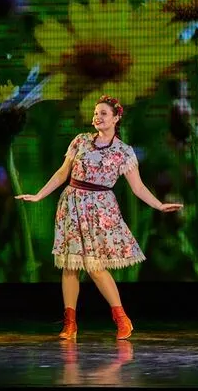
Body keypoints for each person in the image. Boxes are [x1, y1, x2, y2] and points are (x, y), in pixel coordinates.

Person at [16, 95, 183, 340]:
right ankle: (70, 324)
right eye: (95, 113)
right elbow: (62, 173)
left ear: (116, 118)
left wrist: (159, 205)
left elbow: (138, 187)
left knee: (95, 266)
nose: (97, 117)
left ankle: (122, 319)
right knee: (70, 266)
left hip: (99, 209)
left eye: (103, 113)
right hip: (72, 204)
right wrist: (39, 195)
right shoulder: (80, 141)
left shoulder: (123, 152)